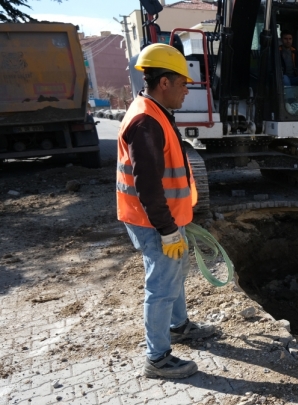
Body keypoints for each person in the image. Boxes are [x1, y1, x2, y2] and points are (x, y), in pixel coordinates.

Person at [117, 43, 214, 379]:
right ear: (164, 83)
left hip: (165, 218)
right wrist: (167, 229)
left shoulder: (155, 112)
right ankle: (157, 359)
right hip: (154, 222)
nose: (187, 90)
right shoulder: (146, 121)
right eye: (183, 84)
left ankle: (179, 326)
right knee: (161, 286)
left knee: (174, 274)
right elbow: (147, 185)